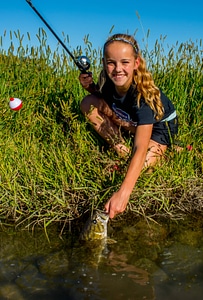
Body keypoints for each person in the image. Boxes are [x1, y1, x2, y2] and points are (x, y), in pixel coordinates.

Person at [78, 33, 178, 219]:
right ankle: (121, 149)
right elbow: (104, 98)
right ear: (104, 62)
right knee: (88, 103)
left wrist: (123, 194)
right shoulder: (109, 82)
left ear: (136, 64)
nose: (118, 69)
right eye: (111, 63)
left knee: (144, 169)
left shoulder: (143, 97)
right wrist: (90, 87)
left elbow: (141, 146)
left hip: (158, 130)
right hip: (130, 120)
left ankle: (168, 150)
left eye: (125, 62)